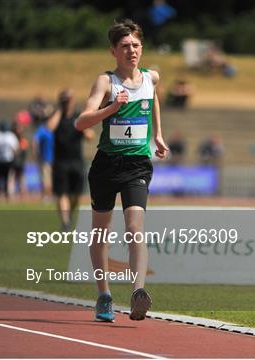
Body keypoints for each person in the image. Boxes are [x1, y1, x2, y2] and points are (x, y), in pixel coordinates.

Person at [74, 19, 169, 323]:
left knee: (134, 228)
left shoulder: (150, 77)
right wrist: (112, 108)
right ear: (113, 50)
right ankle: (104, 294)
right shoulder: (106, 82)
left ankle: (138, 292)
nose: (132, 51)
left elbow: (153, 94)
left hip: (137, 165)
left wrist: (157, 134)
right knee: (101, 232)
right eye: (125, 46)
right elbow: (81, 122)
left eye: (136, 45)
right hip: (106, 165)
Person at [47, 89, 94, 231]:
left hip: (76, 161)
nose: (67, 102)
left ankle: (68, 216)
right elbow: (49, 128)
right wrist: (60, 110)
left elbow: (90, 136)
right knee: (62, 193)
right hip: (60, 161)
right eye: (64, 100)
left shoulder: (78, 116)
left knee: (76, 195)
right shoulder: (56, 116)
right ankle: (65, 222)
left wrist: (84, 130)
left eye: (69, 100)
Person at [0, 121, 18, 201]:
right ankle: (6, 196)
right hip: (8, 160)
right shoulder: (11, 136)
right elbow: (15, 149)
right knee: (6, 179)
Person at [33, 121, 54, 201]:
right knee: (48, 178)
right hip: (49, 158)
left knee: (46, 178)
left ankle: (47, 196)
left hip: (46, 159)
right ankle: (48, 195)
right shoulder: (47, 130)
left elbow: (35, 141)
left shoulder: (44, 130)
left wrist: (35, 153)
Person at [11, 121, 29, 199]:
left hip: (20, 162)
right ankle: (11, 195)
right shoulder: (12, 138)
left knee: (21, 179)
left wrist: (16, 149)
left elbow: (23, 149)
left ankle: (24, 195)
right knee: (12, 178)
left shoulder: (23, 139)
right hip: (13, 161)